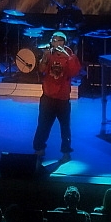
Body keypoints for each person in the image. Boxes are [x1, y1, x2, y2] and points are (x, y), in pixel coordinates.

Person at [33, 31, 82, 162]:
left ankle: (66, 152)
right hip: (48, 97)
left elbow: (74, 72)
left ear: (64, 42)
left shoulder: (70, 55)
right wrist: (44, 58)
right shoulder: (49, 54)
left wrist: (68, 57)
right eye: (54, 40)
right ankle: (39, 149)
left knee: (65, 127)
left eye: (60, 40)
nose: (57, 43)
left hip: (63, 98)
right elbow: (41, 70)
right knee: (43, 125)